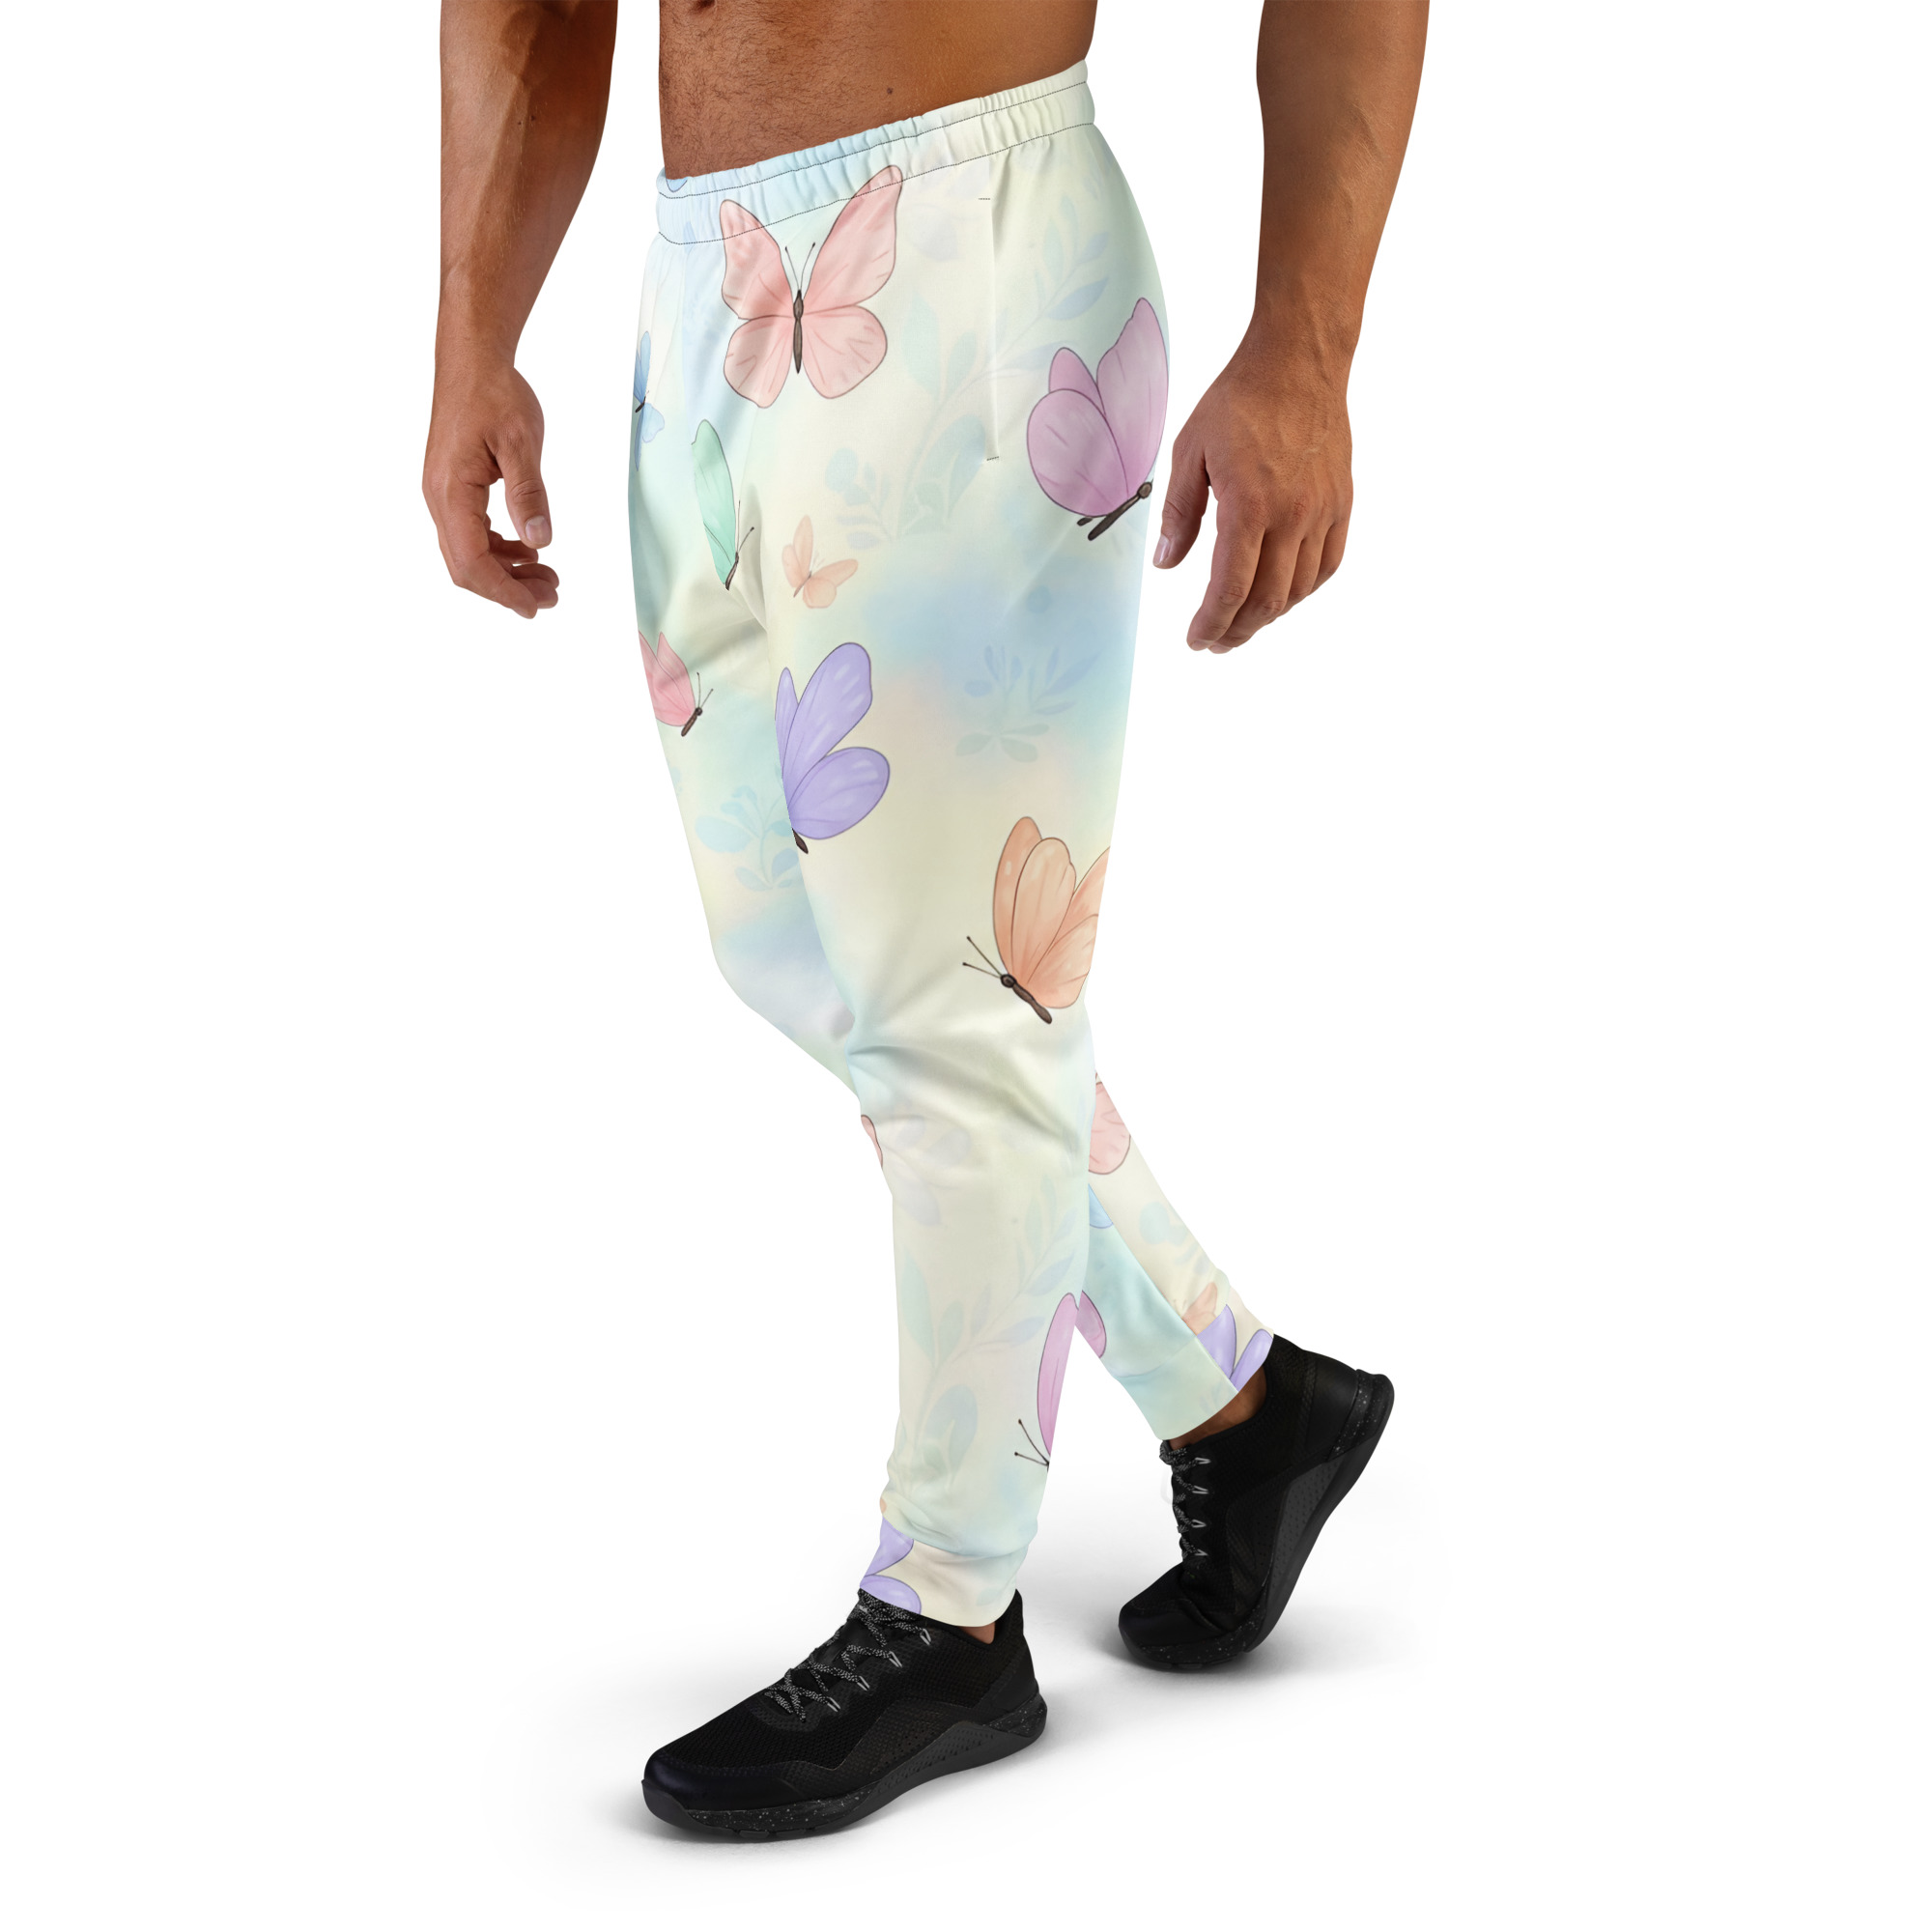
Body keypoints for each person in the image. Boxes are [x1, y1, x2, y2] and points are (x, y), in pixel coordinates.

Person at [426, 0, 1427, 1839]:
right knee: (809, 955)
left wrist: (1307, 342)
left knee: (954, 1007)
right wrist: (469, 335)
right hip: (702, 283)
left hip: (970, 250)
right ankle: (1244, 1405)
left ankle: (952, 1610)